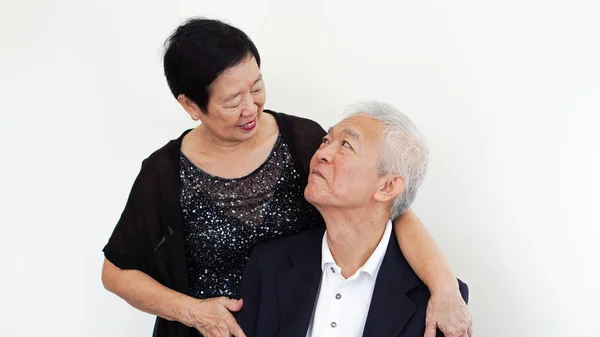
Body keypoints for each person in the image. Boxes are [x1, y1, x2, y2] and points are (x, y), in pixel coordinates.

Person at [101, 18, 472, 337]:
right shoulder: (165, 172)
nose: (251, 108)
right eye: (232, 101)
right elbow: (117, 273)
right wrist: (192, 311)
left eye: (257, 87)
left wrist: (444, 288)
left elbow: (388, 209)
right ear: (191, 105)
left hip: (299, 316)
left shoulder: (303, 142)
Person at [236, 101, 469, 337]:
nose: (321, 153)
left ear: (388, 186)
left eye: (346, 145)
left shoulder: (439, 302)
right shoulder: (269, 265)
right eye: (326, 141)